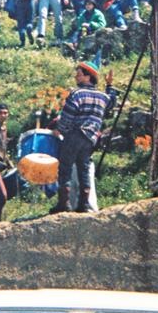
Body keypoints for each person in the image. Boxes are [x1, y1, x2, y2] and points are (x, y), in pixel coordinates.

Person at [51, 61, 116, 214]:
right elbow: (112, 103)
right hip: (90, 138)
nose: (76, 77)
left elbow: (67, 117)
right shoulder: (102, 97)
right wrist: (109, 85)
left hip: (74, 134)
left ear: (88, 77)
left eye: (79, 74)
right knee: (84, 169)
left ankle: (63, 204)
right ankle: (84, 205)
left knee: (65, 168)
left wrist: (59, 130)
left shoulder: (77, 94)